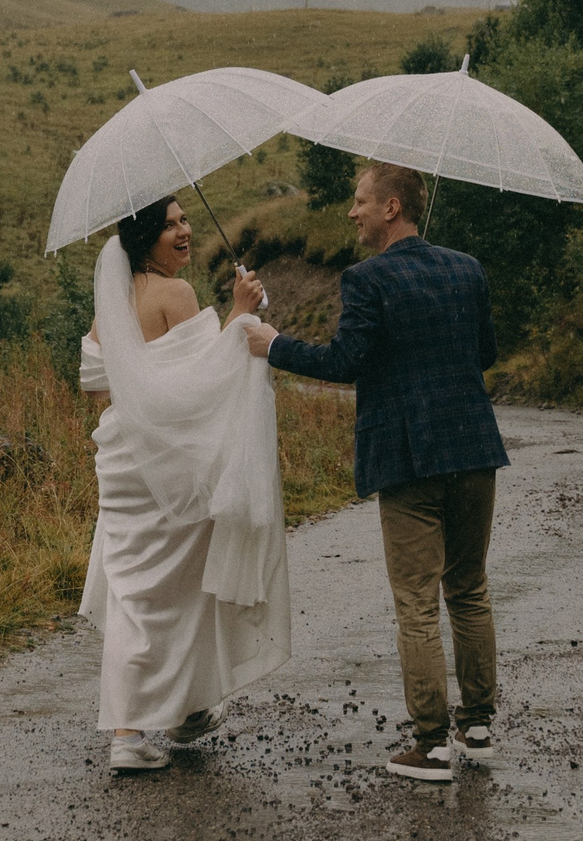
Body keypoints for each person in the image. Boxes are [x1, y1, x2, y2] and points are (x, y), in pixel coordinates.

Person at [239, 163, 505, 782]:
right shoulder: (468, 269)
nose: (351, 213)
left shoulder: (367, 278)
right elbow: (486, 353)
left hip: (409, 459)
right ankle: (480, 727)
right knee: (468, 589)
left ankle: (433, 745)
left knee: (416, 602)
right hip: (474, 449)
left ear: (391, 208)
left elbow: (345, 361)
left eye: (360, 202)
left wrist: (274, 344)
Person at [79, 196, 291, 774]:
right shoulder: (176, 295)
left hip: (121, 468)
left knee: (137, 594)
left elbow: (97, 388)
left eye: (184, 220)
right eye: (169, 225)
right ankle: (149, 725)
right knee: (178, 592)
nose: (183, 231)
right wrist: (242, 310)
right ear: (145, 238)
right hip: (165, 471)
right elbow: (205, 380)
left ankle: (173, 715)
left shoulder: (111, 306)